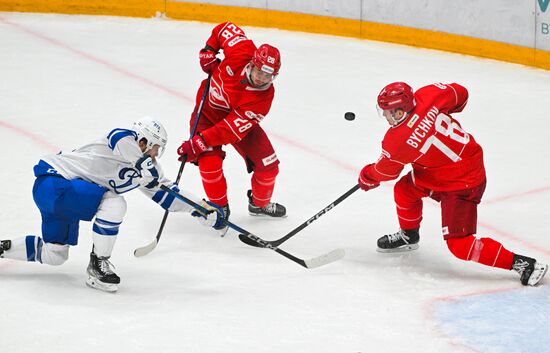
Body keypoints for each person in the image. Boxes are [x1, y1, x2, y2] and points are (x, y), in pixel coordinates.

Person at [0, 117, 225, 292]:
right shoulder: (123, 139)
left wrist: (201, 208)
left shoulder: (145, 170)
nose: (157, 154)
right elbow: (120, 139)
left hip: (61, 198)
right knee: (114, 203)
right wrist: (143, 164)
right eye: (155, 147)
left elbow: (167, 197)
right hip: (55, 183)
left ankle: (3, 248)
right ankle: (98, 264)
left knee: (55, 255)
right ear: (143, 141)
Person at [357, 82, 548, 286]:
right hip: (445, 170)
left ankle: (524, 264)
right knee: (405, 190)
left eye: (387, 112)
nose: (385, 116)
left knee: (460, 245)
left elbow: (385, 172)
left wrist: (367, 177)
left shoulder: (397, 141)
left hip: (462, 182)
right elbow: (461, 94)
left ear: (400, 111)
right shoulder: (429, 94)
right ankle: (409, 236)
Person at [176, 22, 287, 234]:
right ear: (252, 63)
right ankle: (219, 209)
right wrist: (208, 51)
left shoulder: (264, 97)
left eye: (269, 75)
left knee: (269, 166)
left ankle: (259, 204)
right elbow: (224, 28)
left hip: (236, 125)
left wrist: (201, 141)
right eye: (260, 72)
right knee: (209, 162)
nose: (263, 79)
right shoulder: (242, 50)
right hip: (206, 115)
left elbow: (230, 129)